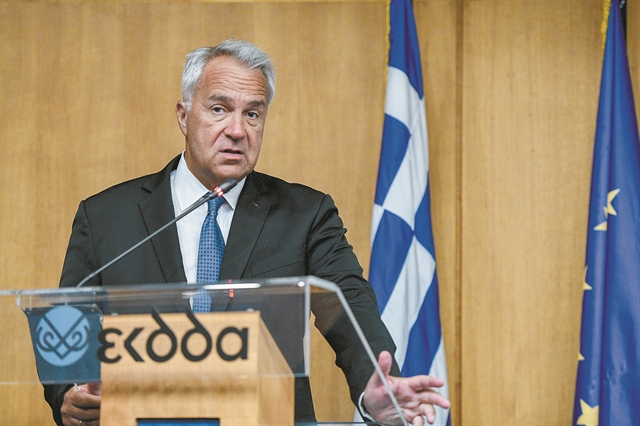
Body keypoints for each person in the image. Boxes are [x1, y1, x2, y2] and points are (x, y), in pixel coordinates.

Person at [44, 39, 450, 426]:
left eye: (253, 114)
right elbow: (68, 320)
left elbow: (349, 305)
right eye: (219, 109)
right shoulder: (106, 217)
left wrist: (376, 385)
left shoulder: (304, 214)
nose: (237, 130)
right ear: (184, 116)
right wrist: (69, 394)